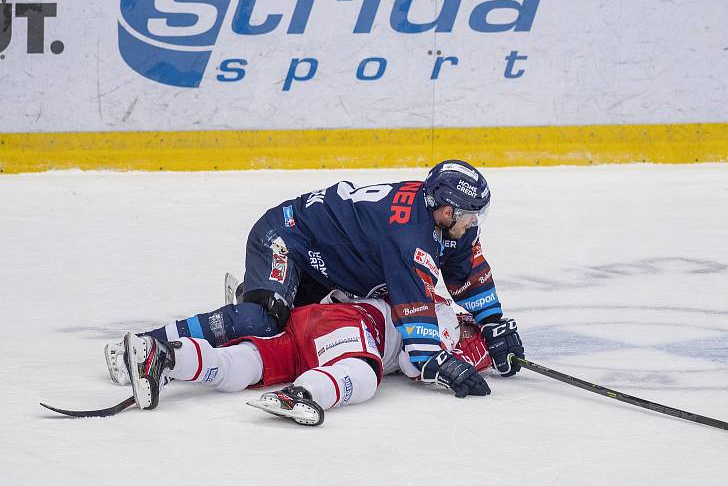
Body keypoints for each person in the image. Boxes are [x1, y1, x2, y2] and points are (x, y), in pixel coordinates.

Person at [110, 159, 525, 399]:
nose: (474, 222)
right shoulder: (409, 235)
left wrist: (491, 322)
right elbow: (415, 329)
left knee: (302, 324)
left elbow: (467, 276)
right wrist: (440, 362)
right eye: (469, 213)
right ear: (445, 210)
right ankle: (152, 343)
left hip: (327, 261)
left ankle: (256, 296)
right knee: (266, 321)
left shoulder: (448, 224)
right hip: (287, 239)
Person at [114, 292, 522, 426]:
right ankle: (303, 394)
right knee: (364, 373)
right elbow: (420, 362)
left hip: (309, 322)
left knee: (248, 364)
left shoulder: (444, 312)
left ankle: (167, 359)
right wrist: (458, 366)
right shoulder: (446, 316)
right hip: (346, 323)